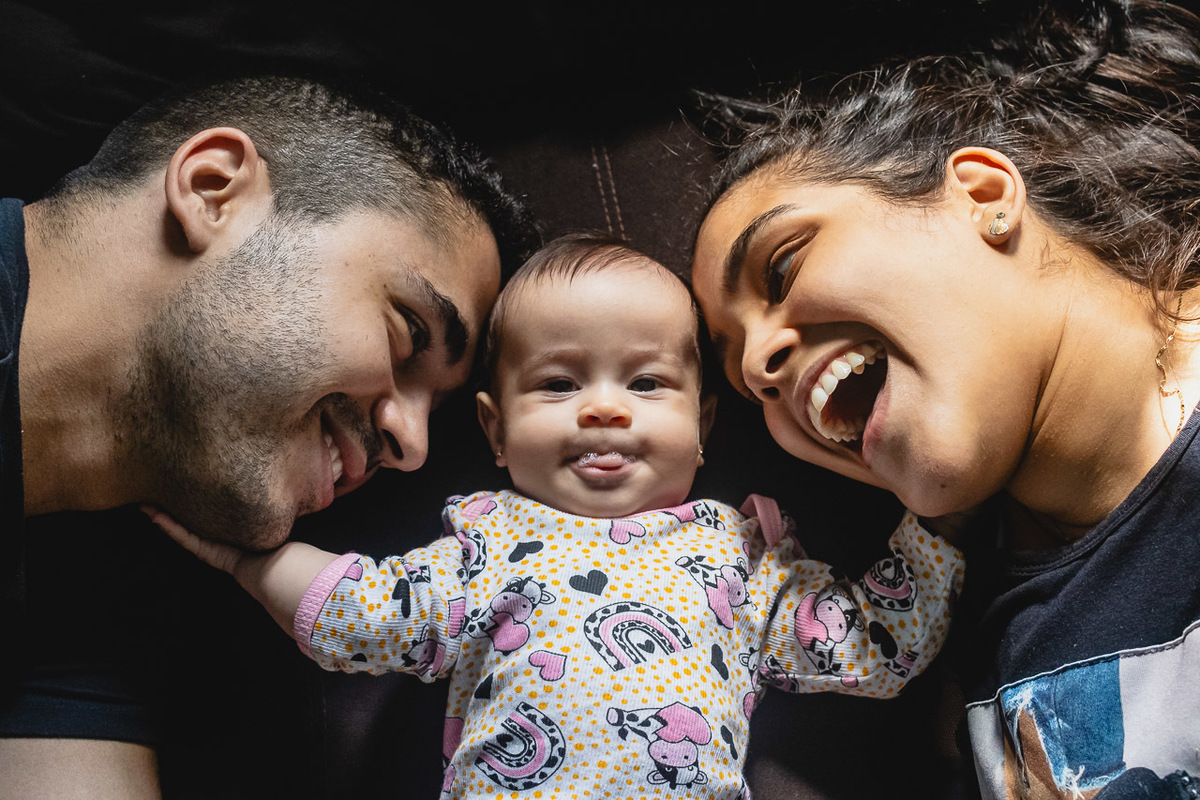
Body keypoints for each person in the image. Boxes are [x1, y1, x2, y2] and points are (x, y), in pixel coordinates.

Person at [150, 232, 965, 798]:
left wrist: (938, 523)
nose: (604, 410)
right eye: (559, 384)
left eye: (646, 384)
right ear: (495, 433)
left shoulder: (744, 553)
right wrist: (244, 562)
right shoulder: (488, 543)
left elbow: (867, 646)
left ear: (704, 428)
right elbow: (358, 612)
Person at [689, 0, 1200, 796]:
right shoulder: (970, 648)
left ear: (983, 194)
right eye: (739, 380)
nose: (759, 366)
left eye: (780, 268)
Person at [1, 74, 538, 798]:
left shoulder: (108, 582)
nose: (413, 446)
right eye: (410, 332)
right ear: (212, 188)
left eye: (435, 412)